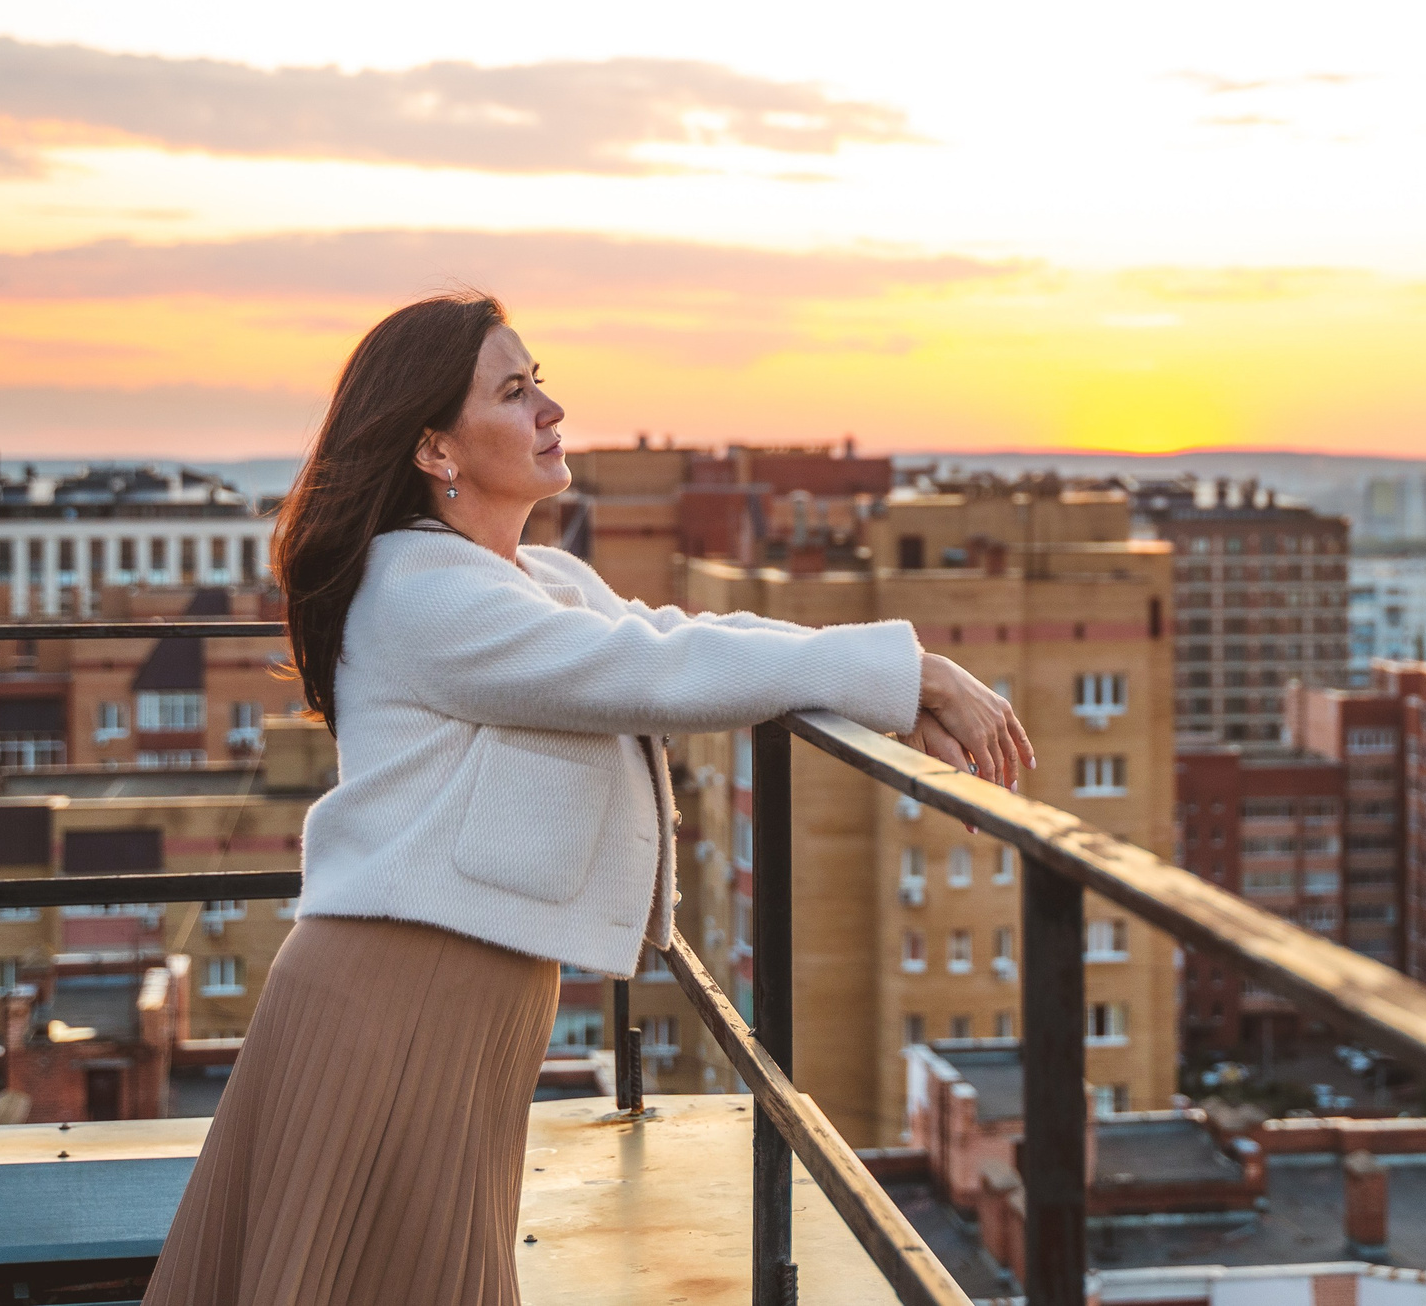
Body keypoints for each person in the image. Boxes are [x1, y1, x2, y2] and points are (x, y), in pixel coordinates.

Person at [143, 290, 1030, 1306]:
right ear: (436, 451)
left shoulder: (532, 578)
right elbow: (646, 668)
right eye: (515, 394)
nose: (550, 411)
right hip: (397, 990)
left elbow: (688, 632)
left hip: (457, 991)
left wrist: (902, 675)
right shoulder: (422, 591)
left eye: (540, 384)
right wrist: (908, 678)